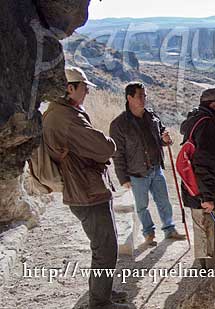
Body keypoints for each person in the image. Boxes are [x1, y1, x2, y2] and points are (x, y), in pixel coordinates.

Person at [43, 67, 130, 308]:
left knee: (104, 246)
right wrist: (107, 143)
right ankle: (99, 302)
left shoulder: (60, 114)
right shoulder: (67, 118)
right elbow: (105, 148)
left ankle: (103, 293)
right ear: (69, 88)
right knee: (105, 248)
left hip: (85, 188)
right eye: (84, 87)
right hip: (87, 191)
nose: (87, 92)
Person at [109, 82, 186, 246]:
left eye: (144, 96)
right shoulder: (119, 124)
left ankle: (169, 229)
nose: (143, 99)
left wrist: (166, 140)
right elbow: (118, 154)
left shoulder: (152, 117)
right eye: (140, 96)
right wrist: (123, 178)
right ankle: (149, 233)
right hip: (136, 173)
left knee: (163, 201)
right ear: (129, 98)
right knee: (142, 206)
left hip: (156, 168)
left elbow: (162, 136)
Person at [180, 87, 215, 269]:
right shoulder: (208, 125)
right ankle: (211, 278)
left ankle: (205, 272)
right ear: (213, 104)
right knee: (213, 238)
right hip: (207, 192)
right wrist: (207, 197)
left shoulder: (196, 120)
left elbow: (203, 157)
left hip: (196, 189)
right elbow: (204, 163)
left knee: (203, 234)